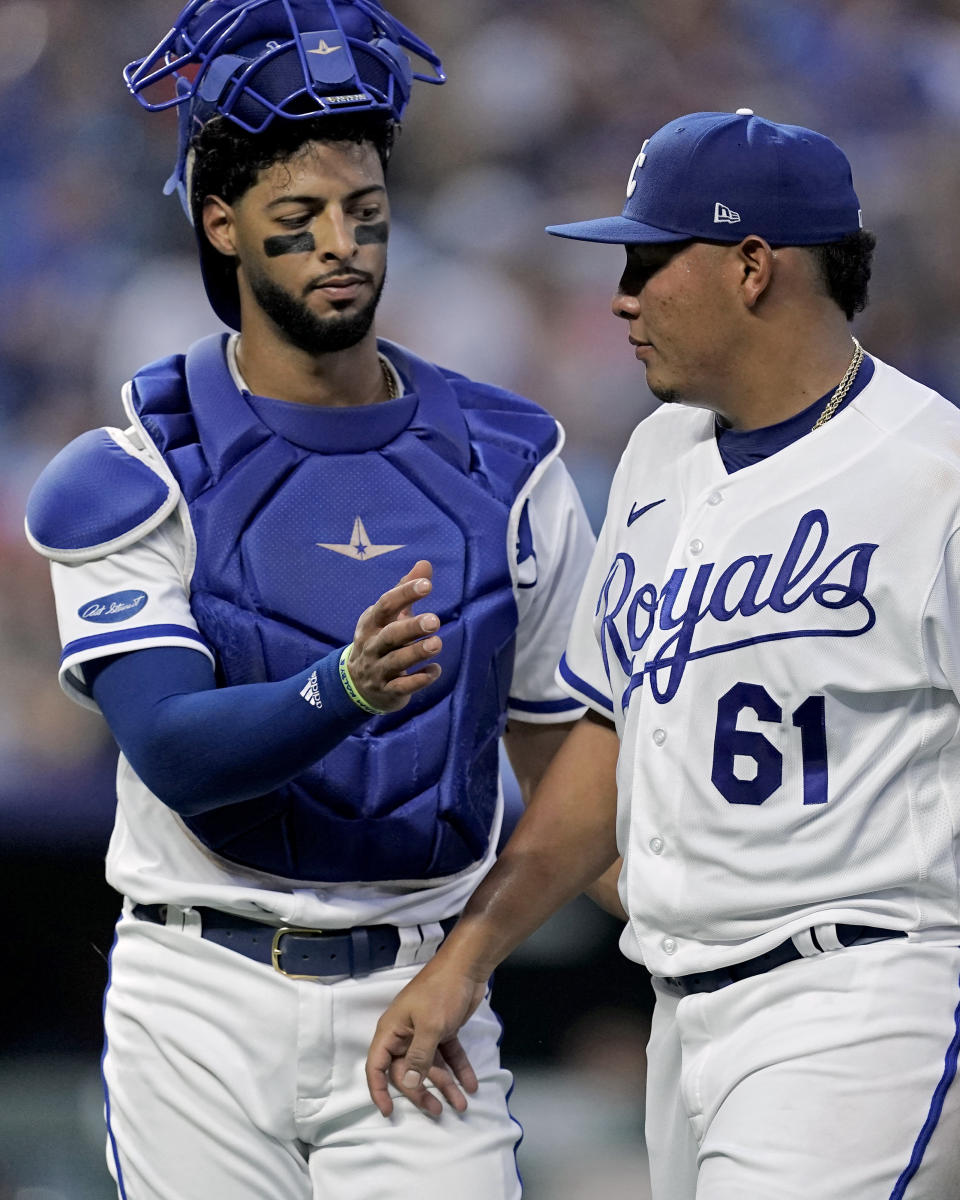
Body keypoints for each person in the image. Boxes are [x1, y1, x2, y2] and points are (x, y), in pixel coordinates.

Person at [23, 3, 603, 1197]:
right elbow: (178, 750)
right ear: (220, 224)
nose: (341, 244)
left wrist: (478, 956)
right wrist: (341, 685)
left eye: (366, 216)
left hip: (421, 988)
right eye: (299, 221)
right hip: (201, 994)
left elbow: (577, 755)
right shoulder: (137, 464)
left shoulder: (510, 463)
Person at [365, 108, 960, 1200]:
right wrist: (466, 958)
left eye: (648, 259)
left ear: (750, 266)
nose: (620, 296)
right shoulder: (658, 456)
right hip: (682, 1014)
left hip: (866, 998)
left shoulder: (935, 476)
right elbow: (609, 738)